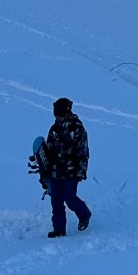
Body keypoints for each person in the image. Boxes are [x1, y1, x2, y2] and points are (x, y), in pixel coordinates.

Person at [42, 97, 91, 237]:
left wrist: (81, 170)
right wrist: (44, 168)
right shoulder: (54, 129)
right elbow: (49, 149)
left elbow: (83, 151)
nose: (57, 115)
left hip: (72, 170)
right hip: (56, 171)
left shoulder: (77, 128)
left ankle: (85, 214)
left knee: (69, 198)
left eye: (59, 112)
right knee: (56, 201)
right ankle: (59, 229)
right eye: (55, 112)